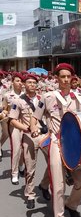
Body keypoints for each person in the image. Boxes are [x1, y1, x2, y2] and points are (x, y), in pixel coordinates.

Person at [31, 63, 81, 217]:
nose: (65, 80)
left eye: (68, 76)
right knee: (58, 185)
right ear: (56, 78)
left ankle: (71, 205)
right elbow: (35, 118)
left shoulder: (78, 97)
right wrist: (34, 128)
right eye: (62, 76)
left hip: (75, 144)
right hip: (56, 142)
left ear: (72, 78)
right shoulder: (48, 97)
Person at [8, 74, 50, 209]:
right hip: (28, 136)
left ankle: (44, 185)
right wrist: (27, 128)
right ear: (24, 85)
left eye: (34, 82)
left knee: (53, 163)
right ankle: (30, 194)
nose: (32, 84)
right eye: (29, 82)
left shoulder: (43, 99)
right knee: (30, 168)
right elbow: (13, 120)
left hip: (44, 136)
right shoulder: (17, 101)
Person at [3, 72, 25, 184]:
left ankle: (21, 165)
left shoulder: (26, 95)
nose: (20, 83)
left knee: (24, 149)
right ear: (12, 82)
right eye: (17, 81)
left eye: (21, 81)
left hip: (25, 124)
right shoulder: (7, 95)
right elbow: (4, 108)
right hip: (13, 123)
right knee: (16, 148)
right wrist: (3, 113)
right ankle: (14, 173)